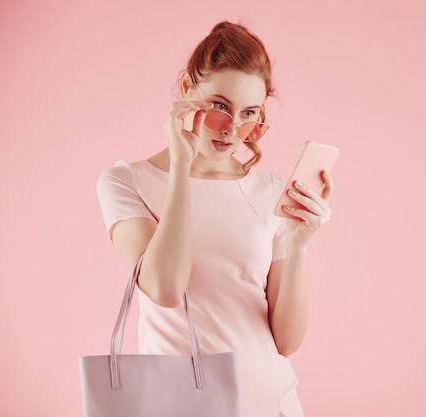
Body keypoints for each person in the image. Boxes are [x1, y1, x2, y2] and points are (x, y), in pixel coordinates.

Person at [96, 21, 334, 417]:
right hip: (178, 405)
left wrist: (299, 243)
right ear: (187, 90)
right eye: (219, 106)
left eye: (249, 114)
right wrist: (180, 165)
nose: (233, 130)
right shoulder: (126, 181)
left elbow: (287, 341)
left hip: (270, 401)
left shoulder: (272, 191)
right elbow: (165, 288)